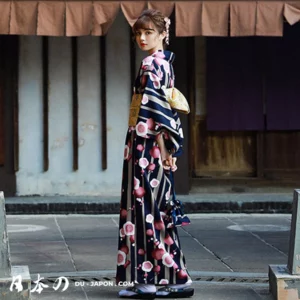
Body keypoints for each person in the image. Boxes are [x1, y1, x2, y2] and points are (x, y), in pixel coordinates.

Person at [116, 9, 194, 299]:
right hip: (153, 146)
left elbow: (156, 113)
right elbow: (168, 110)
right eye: (138, 33)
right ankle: (174, 279)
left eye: (149, 32)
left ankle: (149, 281)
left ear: (163, 34)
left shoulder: (151, 65)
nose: (142, 37)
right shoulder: (165, 63)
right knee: (155, 213)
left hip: (146, 147)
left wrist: (163, 151)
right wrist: (171, 149)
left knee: (144, 212)